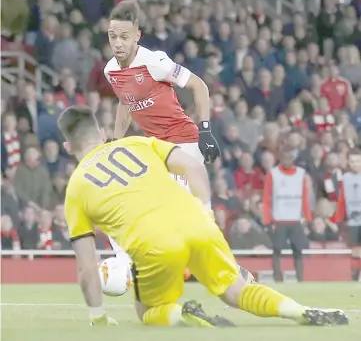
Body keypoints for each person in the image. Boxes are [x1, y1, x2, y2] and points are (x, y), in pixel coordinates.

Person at [59, 105, 347, 327]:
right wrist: (206, 213)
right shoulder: (137, 143)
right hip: (197, 221)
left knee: (146, 311)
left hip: (153, 244)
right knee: (237, 290)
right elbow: (194, 169)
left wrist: (98, 317)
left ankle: (183, 313)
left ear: (68, 147)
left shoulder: (76, 188)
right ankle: (299, 311)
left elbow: (87, 267)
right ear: (100, 133)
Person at [103, 0, 220, 258]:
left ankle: (227, 271)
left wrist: (206, 130)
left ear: (137, 36)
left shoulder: (155, 62)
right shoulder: (111, 70)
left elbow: (199, 85)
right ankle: (129, 264)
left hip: (183, 141)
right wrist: (115, 140)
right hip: (156, 148)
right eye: (113, 37)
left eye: (124, 37)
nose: (118, 43)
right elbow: (126, 102)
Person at [262, 146, 311, 282]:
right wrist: (268, 220)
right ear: (280, 158)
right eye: (284, 157)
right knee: (277, 250)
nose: (287, 160)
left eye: (290, 157)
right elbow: (267, 198)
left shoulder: (301, 174)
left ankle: (300, 279)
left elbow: (304, 198)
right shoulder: (273, 174)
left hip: (295, 220)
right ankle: (278, 279)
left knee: (298, 251)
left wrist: (306, 217)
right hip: (279, 220)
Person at [331, 149, 361, 281]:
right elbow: (342, 199)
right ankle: (355, 280)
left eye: (358, 161)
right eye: (352, 161)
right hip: (353, 221)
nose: (355, 164)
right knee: (355, 251)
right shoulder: (345, 178)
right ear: (348, 162)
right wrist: (339, 218)